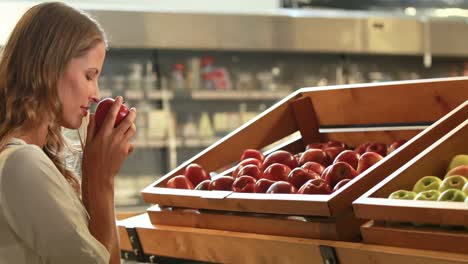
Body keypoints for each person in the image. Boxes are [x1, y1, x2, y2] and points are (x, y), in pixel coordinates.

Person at [0, 2, 136, 263]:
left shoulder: (29, 159)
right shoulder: (22, 163)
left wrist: (94, 173)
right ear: (49, 68)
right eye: (89, 76)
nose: (96, 94)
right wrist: (101, 180)